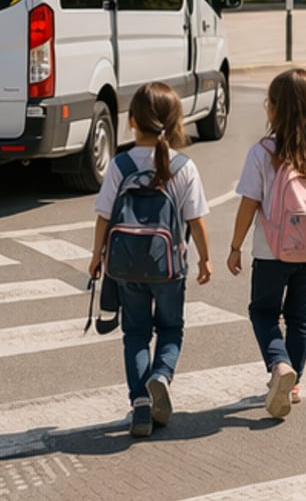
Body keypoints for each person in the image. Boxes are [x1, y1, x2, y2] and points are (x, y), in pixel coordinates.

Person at [88, 82, 212, 438]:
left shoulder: (120, 164)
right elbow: (195, 220)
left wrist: (97, 257)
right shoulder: (184, 167)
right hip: (169, 268)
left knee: (136, 333)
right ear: (176, 122)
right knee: (171, 328)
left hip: (125, 267)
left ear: (131, 121)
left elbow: (103, 216)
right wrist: (206, 259)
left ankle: (140, 404)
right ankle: (161, 375)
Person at [227, 67, 306, 418]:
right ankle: (295, 382)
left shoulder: (263, 152)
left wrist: (234, 246)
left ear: (275, 108)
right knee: (300, 315)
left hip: (272, 251)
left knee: (262, 311)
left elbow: (249, 202)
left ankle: (279, 366)